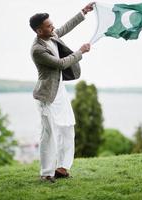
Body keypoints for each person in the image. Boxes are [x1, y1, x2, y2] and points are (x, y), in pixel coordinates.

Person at [29, 2, 94, 183]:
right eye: (49, 26)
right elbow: (60, 64)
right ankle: (46, 173)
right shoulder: (37, 49)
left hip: (59, 91)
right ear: (39, 31)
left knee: (67, 127)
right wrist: (81, 51)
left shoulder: (51, 35)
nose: (53, 28)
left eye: (52, 24)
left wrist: (83, 12)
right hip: (46, 97)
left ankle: (63, 168)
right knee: (48, 134)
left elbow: (66, 27)